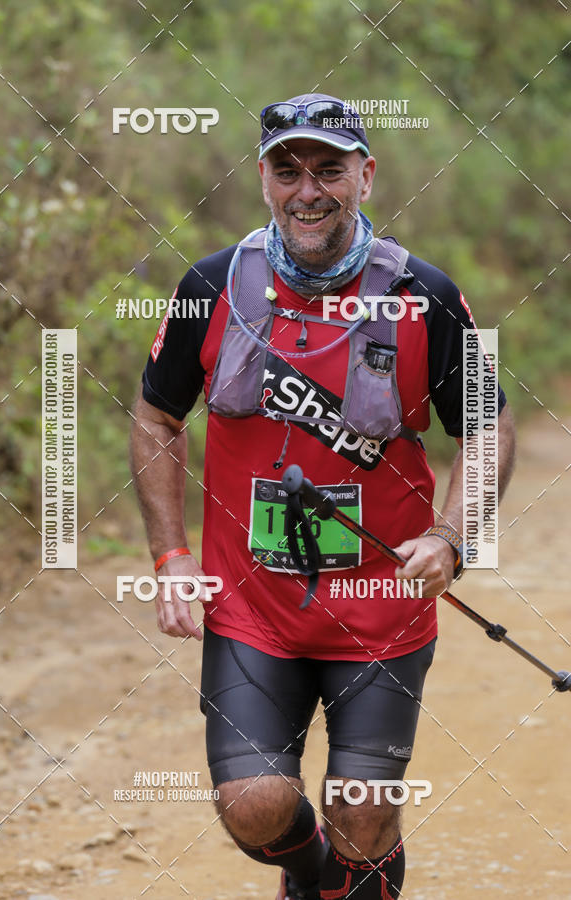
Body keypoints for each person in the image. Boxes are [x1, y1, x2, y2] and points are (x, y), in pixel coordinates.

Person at [130, 93, 516, 900]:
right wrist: (169, 558)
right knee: (254, 806)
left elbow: (487, 430)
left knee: (366, 816)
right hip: (251, 608)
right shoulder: (210, 284)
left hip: (382, 606)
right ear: (262, 179)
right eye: (286, 168)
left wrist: (451, 536)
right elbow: (158, 416)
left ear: (366, 176)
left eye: (330, 169)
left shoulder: (423, 295)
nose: (308, 189)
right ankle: (314, 883)